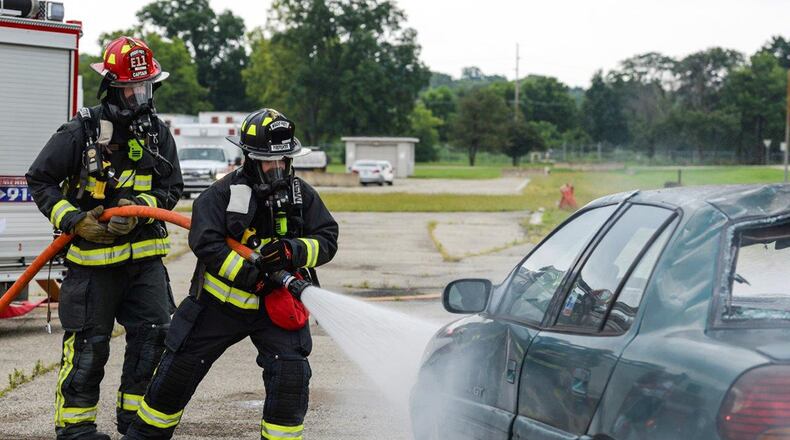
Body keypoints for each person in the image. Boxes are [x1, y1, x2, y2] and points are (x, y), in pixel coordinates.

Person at [124, 108, 339, 440]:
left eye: (284, 161)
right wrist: (250, 275)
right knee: (175, 374)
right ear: (251, 158)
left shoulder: (301, 195)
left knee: (291, 376)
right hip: (217, 307)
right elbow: (205, 242)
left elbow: (327, 238)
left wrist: (291, 251)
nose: (278, 168)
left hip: (276, 310)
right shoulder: (223, 194)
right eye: (270, 161)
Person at [26, 36, 183, 440]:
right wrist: (75, 219)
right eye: (130, 87)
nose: (138, 96)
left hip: (145, 264)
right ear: (111, 87)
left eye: (145, 87)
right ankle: (76, 429)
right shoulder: (81, 130)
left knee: (153, 341)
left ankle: (136, 426)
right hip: (92, 268)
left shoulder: (157, 135)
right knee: (89, 348)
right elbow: (40, 179)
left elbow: (171, 188)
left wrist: (138, 211)